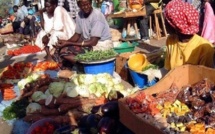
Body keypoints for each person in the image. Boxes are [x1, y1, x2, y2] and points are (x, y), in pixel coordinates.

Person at [55, 0, 112, 66]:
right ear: (79, 6)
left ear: (91, 3)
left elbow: (93, 42)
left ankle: (83, 65)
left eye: (88, 4)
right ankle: (80, 65)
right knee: (60, 50)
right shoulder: (80, 15)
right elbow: (77, 35)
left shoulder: (97, 16)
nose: (86, 7)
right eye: (83, 5)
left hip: (101, 45)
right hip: (89, 44)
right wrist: (65, 42)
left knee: (65, 52)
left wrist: (67, 43)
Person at [164, 0, 214, 71]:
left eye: (166, 21)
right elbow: (168, 70)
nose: (164, 23)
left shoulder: (205, 48)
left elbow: (204, 78)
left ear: (175, 26)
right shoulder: (170, 40)